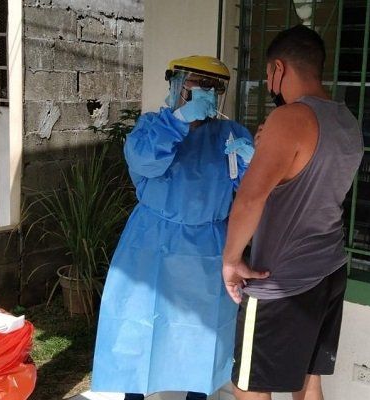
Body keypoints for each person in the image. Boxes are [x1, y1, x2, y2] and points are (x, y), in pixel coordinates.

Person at [91, 55, 257, 400]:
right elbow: (144, 161)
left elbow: (247, 192)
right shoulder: (152, 126)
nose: (205, 93)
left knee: (204, 332)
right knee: (138, 332)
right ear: (177, 84)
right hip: (153, 243)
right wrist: (178, 122)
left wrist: (250, 165)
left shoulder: (230, 134)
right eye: (197, 84)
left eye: (214, 87)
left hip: (209, 246)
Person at [221, 25, 364, 400]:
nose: (269, 83)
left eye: (268, 74)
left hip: (281, 280)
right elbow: (309, 180)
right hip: (329, 269)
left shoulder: (290, 118)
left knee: (248, 387)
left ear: (279, 69)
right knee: (307, 380)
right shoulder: (346, 120)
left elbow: (250, 199)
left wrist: (232, 260)